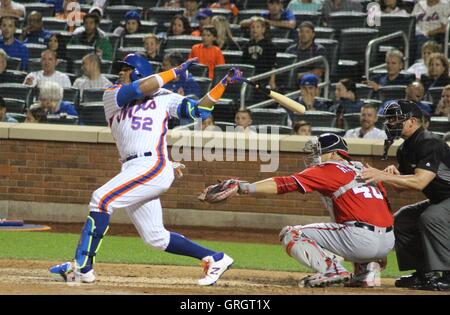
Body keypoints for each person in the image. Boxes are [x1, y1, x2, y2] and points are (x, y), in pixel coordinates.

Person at [49, 54, 242, 286]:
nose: (120, 72)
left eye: (126, 68)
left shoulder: (164, 97)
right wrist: (175, 72)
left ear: (139, 71)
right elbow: (138, 89)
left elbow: (199, 111)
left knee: (101, 200)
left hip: (153, 164)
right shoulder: (112, 95)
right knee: (155, 237)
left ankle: (82, 268)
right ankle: (216, 258)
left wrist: (223, 84)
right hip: (131, 166)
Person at [217, 133, 394, 288]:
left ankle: (331, 271)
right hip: (387, 241)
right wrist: (381, 249)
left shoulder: (330, 167)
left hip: (360, 239)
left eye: (319, 152)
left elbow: (285, 183)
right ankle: (366, 274)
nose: (315, 156)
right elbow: (384, 206)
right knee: (345, 223)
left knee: (292, 234)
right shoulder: (367, 169)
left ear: (334, 153)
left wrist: (244, 188)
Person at [362, 100, 450, 291]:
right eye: (389, 119)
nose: (390, 123)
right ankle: (424, 274)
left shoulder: (430, 142)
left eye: (395, 119)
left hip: (446, 200)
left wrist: (382, 175)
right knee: (402, 219)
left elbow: (419, 182)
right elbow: (403, 188)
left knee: (432, 217)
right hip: (442, 199)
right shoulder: (405, 148)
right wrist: (389, 177)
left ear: (412, 121)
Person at [241, 17, 277, 89]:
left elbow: (273, 65)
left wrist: (272, 82)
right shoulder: (247, 45)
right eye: (252, 27)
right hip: (249, 77)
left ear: (263, 29)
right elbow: (243, 64)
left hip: (263, 78)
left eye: (257, 27)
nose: (254, 29)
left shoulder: (269, 45)